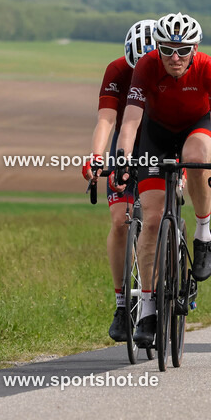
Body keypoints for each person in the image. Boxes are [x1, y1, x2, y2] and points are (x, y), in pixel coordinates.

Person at [114, 12, 211, 347]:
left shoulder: (209, 68)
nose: (175, 58)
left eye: (182, 50)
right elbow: (130, 123)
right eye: (167, 50)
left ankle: (203, 233)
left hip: (197, 126)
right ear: (158, 48)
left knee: (197, 158)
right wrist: (123, 158)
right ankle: (148, 310)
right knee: (150, 220)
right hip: (157, 133)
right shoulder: (147, 66)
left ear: (194, 48)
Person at [82, 19, 155, 341]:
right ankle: (123, 305)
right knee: (120, 221)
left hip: (161, 141)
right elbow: (107, 118)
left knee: (157, 214)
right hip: (126, 144)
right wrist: (97, 156)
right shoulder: (116, 70)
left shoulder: (173, 68)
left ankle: (170, 275)